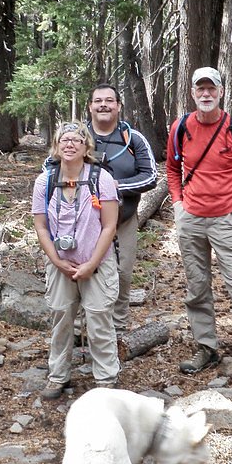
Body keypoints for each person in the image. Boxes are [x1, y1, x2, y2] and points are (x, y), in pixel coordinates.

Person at [166, 66, 232, 392]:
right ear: (192, 93)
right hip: (191, 219)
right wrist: (178, 204)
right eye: (200, 89)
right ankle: (207, 348)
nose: (206, 94)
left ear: (221, 92)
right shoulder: (181, 127)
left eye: (211, 88)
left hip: (228, 219)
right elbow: (172, 168)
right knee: (197, 288)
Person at [31, 121, 120, 399]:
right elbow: (41, 227)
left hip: (97, 264)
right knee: (61, 320)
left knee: (99, 320)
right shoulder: (45, 181)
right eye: (64, 140)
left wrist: (91, 264)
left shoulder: (101, 178)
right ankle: (58, 376)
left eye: (76, 140)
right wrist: (56, 261)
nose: (70, 144)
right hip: (61, 265)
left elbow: (109, 226)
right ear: (56, 146)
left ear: (86, 147)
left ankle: (106, 380)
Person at [86, 83, 157, 333]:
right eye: (98, 101)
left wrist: (115, 187)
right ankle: (82, 330)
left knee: (122, 274)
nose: (103, 105)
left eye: (109, 101)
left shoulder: (132, 138)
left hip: (123, 220)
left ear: (118, 106)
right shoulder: (77, 136)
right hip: (84, 221)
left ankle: (118, 329)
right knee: (84, 271)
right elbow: (51, 168)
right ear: (90, 106)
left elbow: (150, 177)